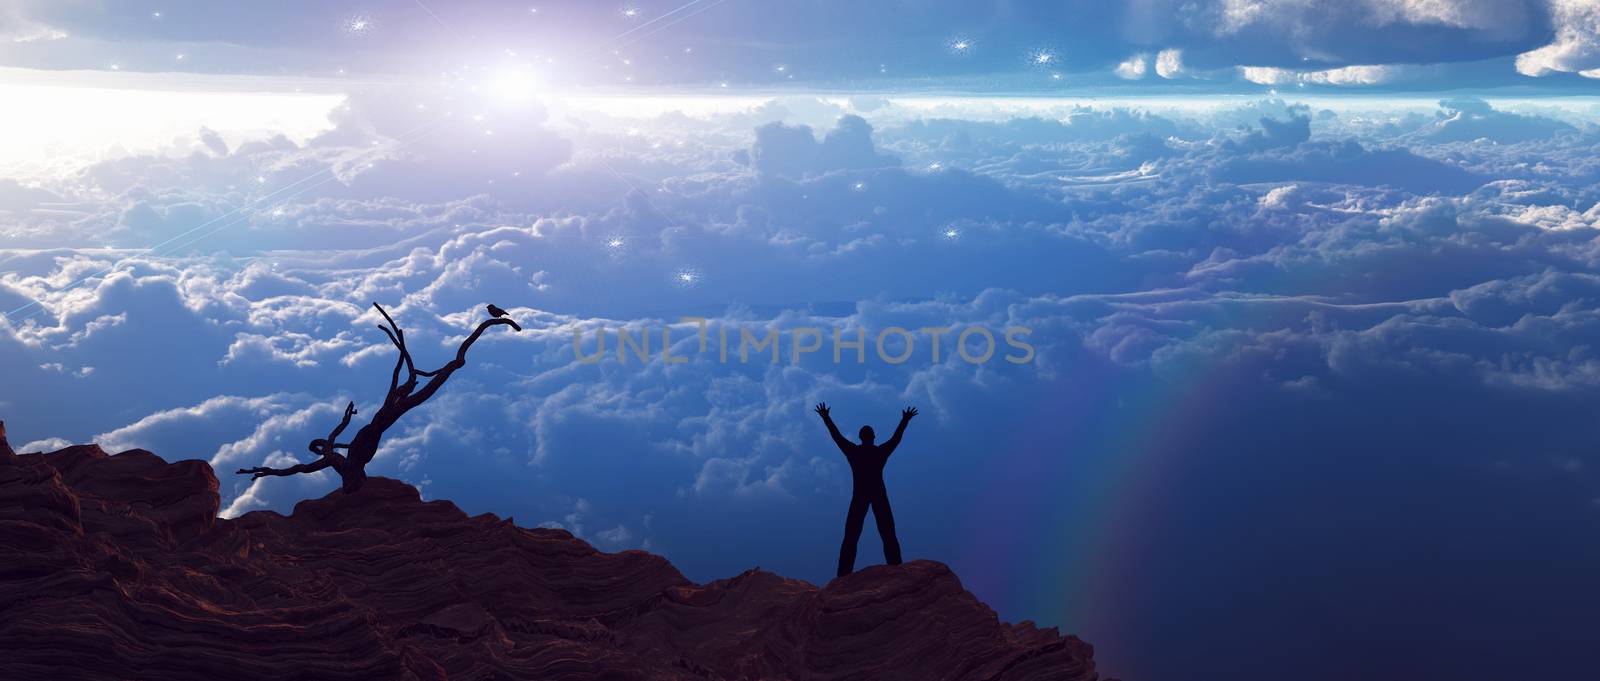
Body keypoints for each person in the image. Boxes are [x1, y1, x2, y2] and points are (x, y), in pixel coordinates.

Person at [814, 402, 917, 577]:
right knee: (887, 533)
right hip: (877, 495)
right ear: (873, 437)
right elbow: (896, 438)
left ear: (860, 437)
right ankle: (896, 568)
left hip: (861, 496)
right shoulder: (879, 452)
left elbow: (836, 436)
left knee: (852, 536)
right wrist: (904, 421)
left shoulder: (854, 452)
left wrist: (826, 417)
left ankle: (843, 575)